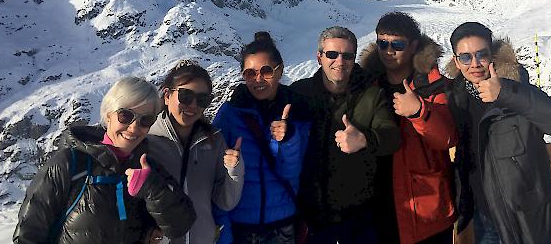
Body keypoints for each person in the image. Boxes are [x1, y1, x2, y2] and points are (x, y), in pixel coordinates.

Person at [13, 76, 196, 244]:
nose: (133, 128)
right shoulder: (70, 164)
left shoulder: (148, 167)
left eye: (145, 120)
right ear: (109, 115)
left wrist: (153, 189)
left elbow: (181, 225)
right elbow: (28, 235)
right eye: (125, 115)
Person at [445, 22, 551, 244]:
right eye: (465, 57)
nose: (474, 64)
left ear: (492, 55)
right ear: (456, 61)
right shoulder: (456, 99)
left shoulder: (516, 88)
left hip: (530, 219)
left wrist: (506, 93)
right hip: (485, 218)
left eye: (481, 55)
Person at [289, 26, 400, 244]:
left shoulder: (371, 94)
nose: (340, 61)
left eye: (347, 55)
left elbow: (392, 137)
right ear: (319, 57)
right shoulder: (299, 94)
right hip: (311, 218)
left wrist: (365, 139)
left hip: (358, 218)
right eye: (332, 54)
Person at [360, 12, 456, 244]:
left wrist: (419, 112)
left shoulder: (433, 84)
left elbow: (446, 138)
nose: (389, 51)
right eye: (383, 43)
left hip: (424, 209)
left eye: (398, 44)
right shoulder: (367, 84)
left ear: (413, 45)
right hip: (379, 205)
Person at [213, 32, 310, 244]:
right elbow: (215, 178)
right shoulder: (230, 114)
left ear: (280, 70)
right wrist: (223, 229)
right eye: (250, 73)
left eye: (266, 71)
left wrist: (288, 140)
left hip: (282, 225)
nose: (258, 79)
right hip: (239, 227)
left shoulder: (298, 112)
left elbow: (291, 175)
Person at [146, 60, 244, 244]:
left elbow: (225, 202)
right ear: (167, 95)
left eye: (202, 100)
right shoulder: (146, 140)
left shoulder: (214, 141)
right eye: (185, 96)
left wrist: (234, 171)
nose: (193, 105)